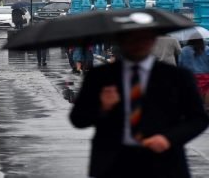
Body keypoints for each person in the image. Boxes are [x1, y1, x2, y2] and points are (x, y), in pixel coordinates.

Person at [70, 30, 209, 178]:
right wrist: (102, 107)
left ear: (152, 40)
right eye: (132, 39)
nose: (138, 44)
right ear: (121, 41)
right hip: (113, 163)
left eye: (144, 39)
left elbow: (198, 119)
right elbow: (78, 119)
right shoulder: (100, 76)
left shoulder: (176, 76)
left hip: (165, 162)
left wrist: (169, 138)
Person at [178, 34, 209, 102]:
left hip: (190, 76)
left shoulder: (184, 50)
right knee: (206, 92)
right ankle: (207, 108)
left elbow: (180, 64)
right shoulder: (207, 49)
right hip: (206, 76)